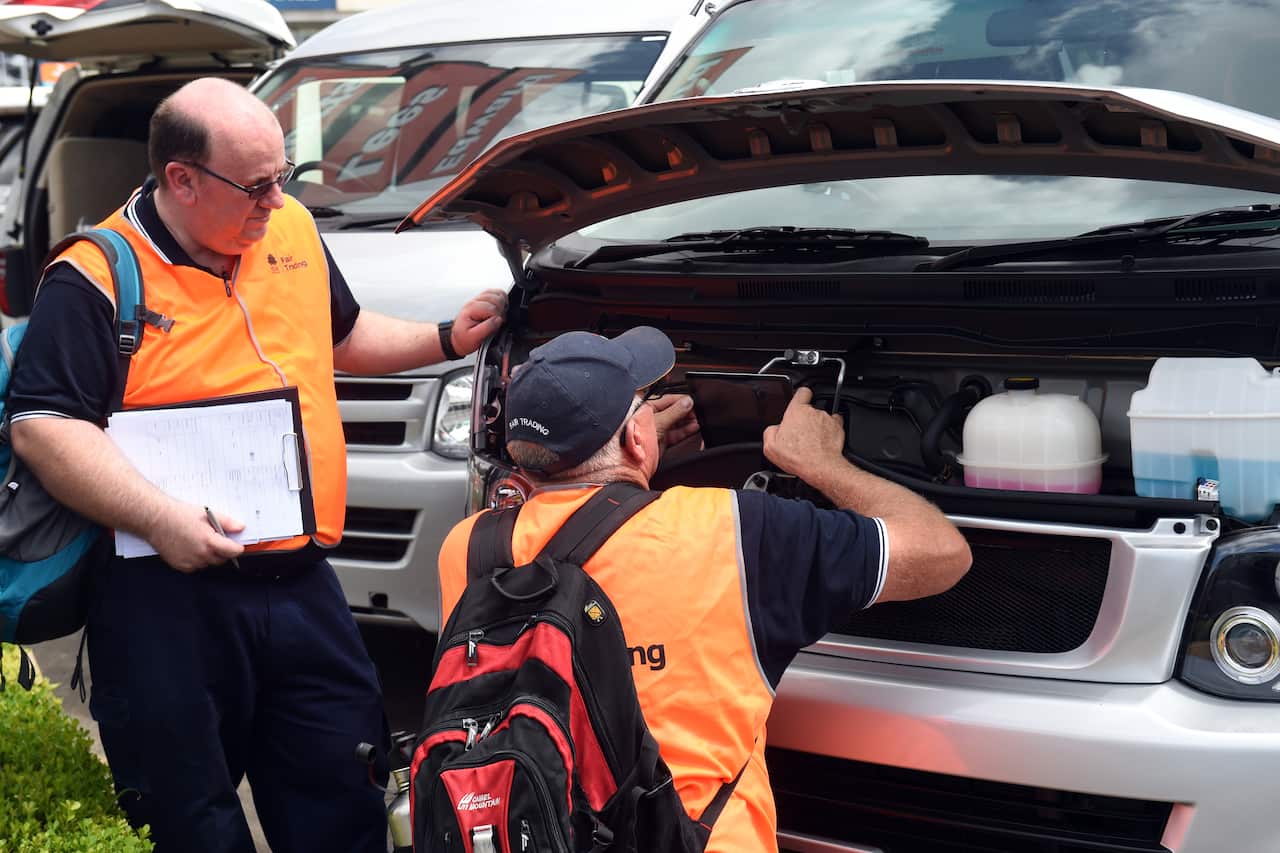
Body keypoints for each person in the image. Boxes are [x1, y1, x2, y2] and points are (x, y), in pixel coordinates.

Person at [8, 78, 506, 853]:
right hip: (161, 600)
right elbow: (43, 425)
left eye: (283, 177)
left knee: (345, 794)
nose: (276, 200)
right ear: (182, 178)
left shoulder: (291, 228)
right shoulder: (94, 276)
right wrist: (161, 519)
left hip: (302, 586)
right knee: (190, 819)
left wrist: (445, 338)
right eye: (258, 184)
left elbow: (338, 334)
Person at [435, 327, 973, 852]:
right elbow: (941, 553)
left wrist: (632, 464)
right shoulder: (735, 529)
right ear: (635, 436)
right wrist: (820, 465)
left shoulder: (470, 549)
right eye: (646, 401)